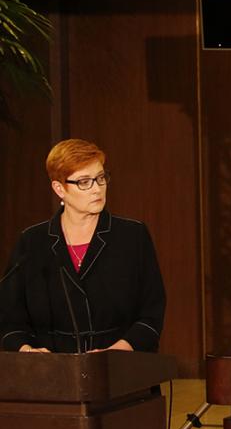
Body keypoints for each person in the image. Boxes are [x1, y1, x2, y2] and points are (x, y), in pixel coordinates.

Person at [0, 139, 166, 353]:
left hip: (123, 373)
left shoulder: (132, 235)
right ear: (59, 189)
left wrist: (116, 354)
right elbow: (9, 320)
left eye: (100, 178)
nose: (97, 189)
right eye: (84, 182)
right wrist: (28, 351)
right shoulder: (33, 242)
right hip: (51, 375)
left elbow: (151, 314)